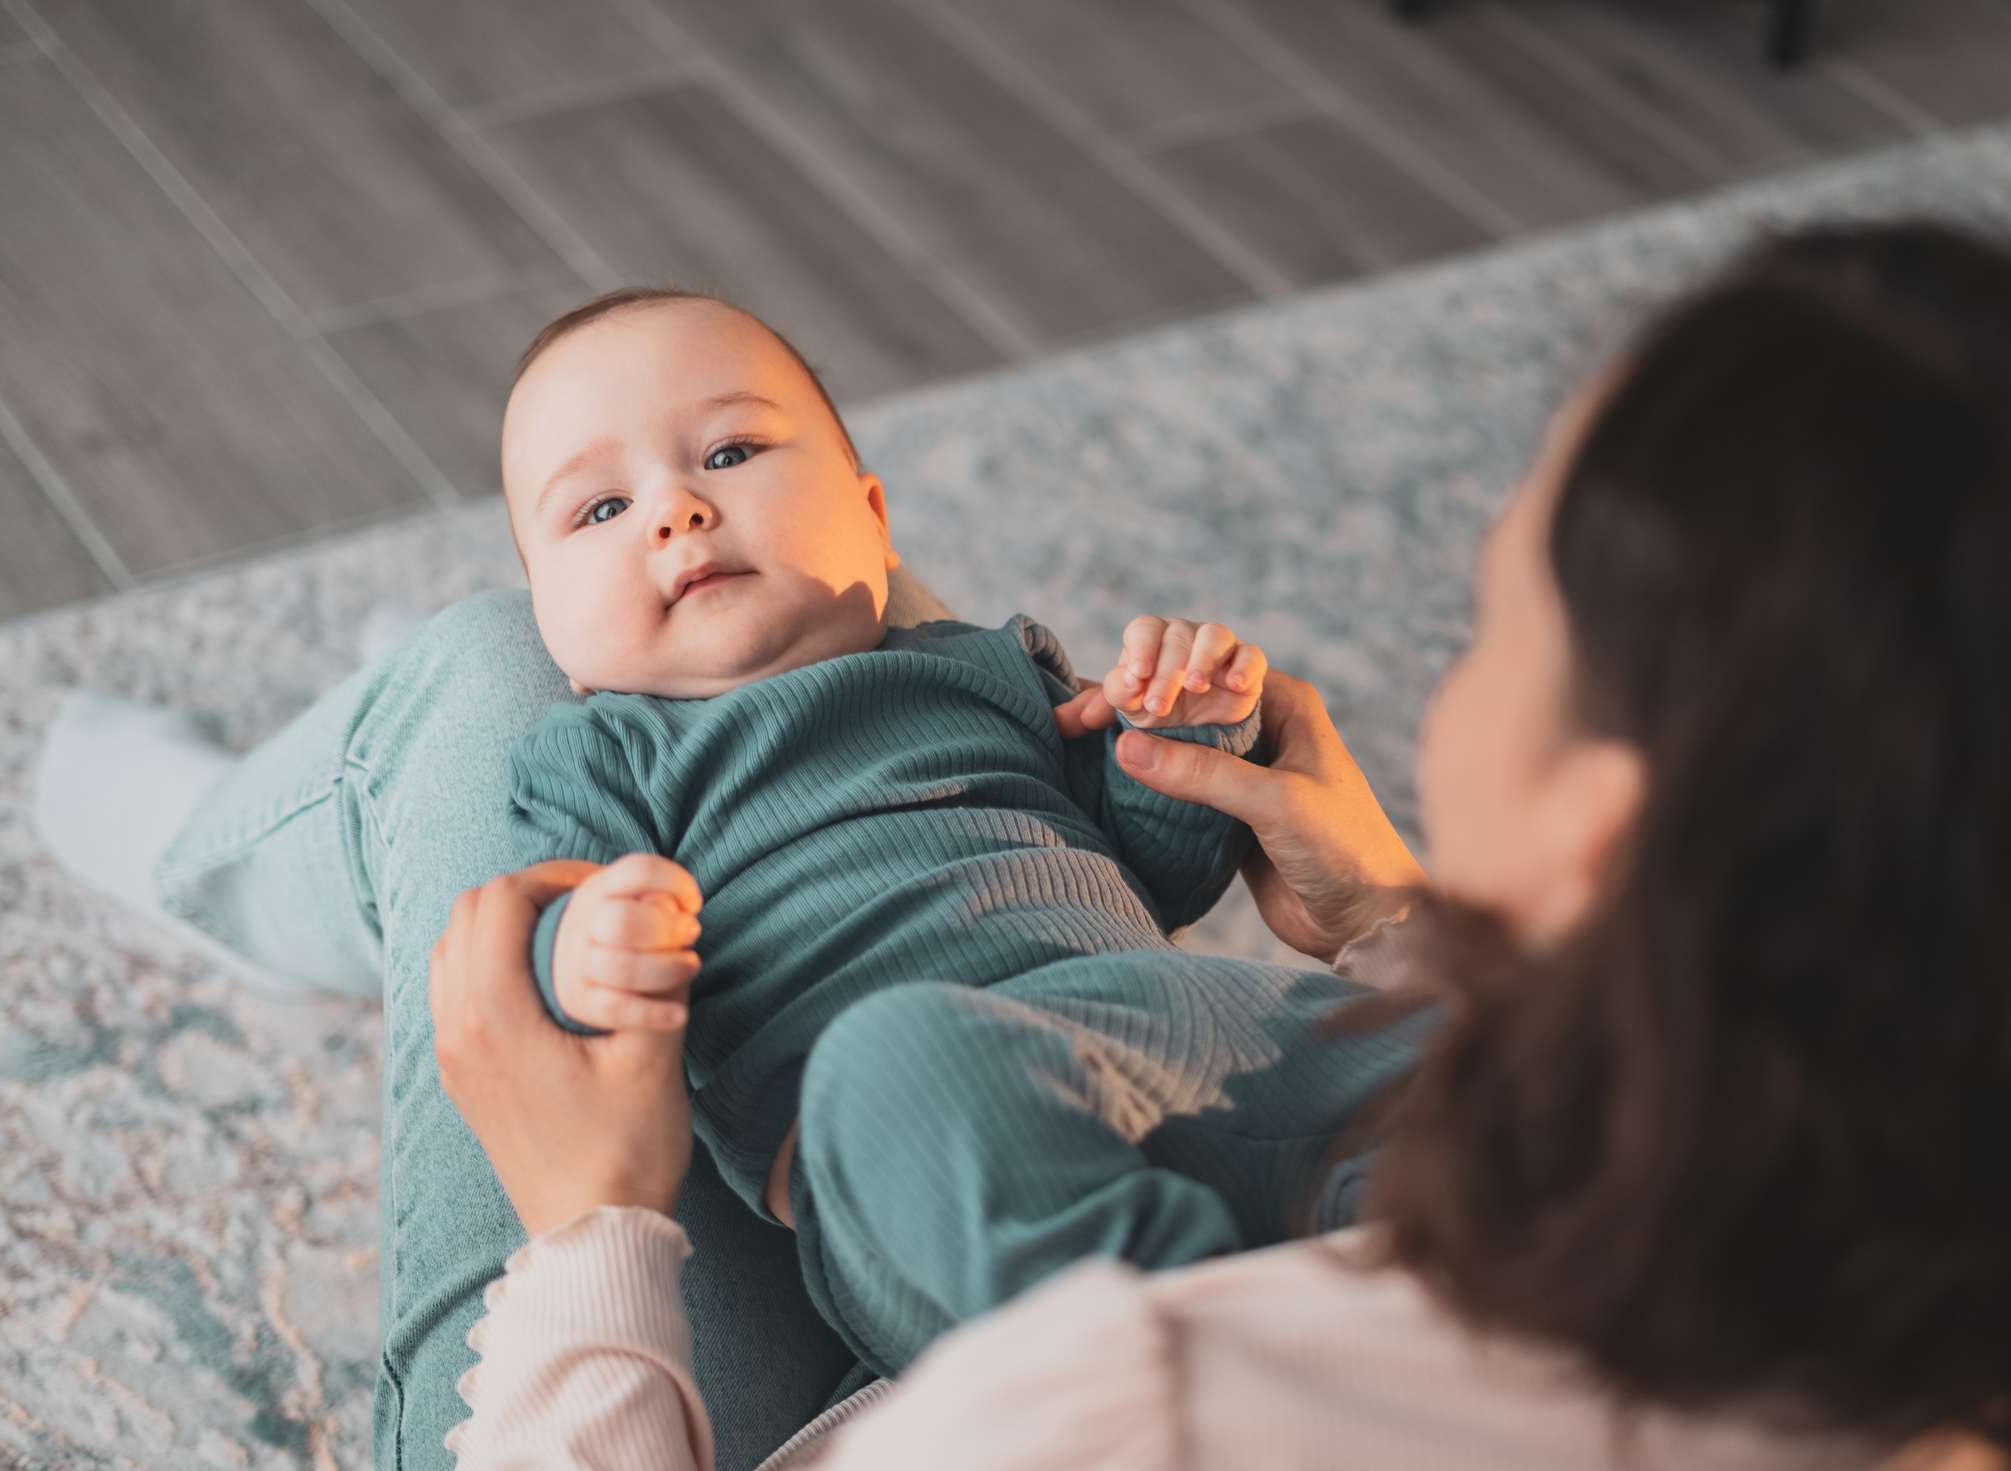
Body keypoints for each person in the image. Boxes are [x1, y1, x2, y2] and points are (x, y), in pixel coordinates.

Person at [343, 221, 2011, 1471]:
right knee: (732, 639)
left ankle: (263, 815)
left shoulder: (1129, 1449)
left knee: (467, 669)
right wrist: (1408, 920)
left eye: (1494, 616)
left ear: (1607, 834)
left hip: (893, 1361)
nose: (1449, 683)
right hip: (1231, 1115)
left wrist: (589, 1219)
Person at [495, 286, 1424, 1382]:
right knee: (904, 1061)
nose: (677, 510)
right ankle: (1199, 1381)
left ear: (874, 520)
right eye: (600, 511)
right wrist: (590, 947)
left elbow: (1158, 874)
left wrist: (1178, 727)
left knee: (1472, 1045)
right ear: (553, 634)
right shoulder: (599, 754)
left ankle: (1429, 1262)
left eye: (732, 450)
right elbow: (539, 973)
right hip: (910, 1128)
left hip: (1168, 1027)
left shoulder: (982, 666)